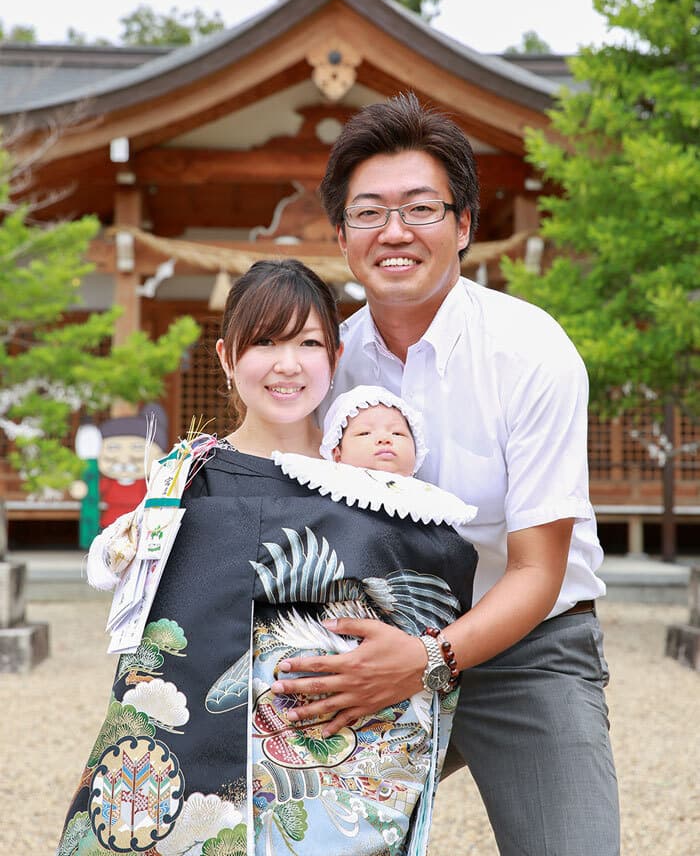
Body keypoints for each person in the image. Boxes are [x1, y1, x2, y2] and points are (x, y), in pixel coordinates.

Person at [269, 94, 620, 855]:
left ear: (464, 226)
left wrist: (429, 659)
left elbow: (538, 568)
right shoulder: (325, 361)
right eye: (369, 212)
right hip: (367, 636)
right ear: (342, 236)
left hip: (527, 641)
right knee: (265, 816)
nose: (394, 232)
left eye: (421, 208)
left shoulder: (530, 351)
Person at [57, 259, 477, 856]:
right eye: (264, 342)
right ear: (227, 357)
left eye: (308, 342)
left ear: (334, 356)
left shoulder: (371, 482)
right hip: (191, 757)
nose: (288, 364)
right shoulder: (187, 475)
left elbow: (432, 600)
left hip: (334, 765)